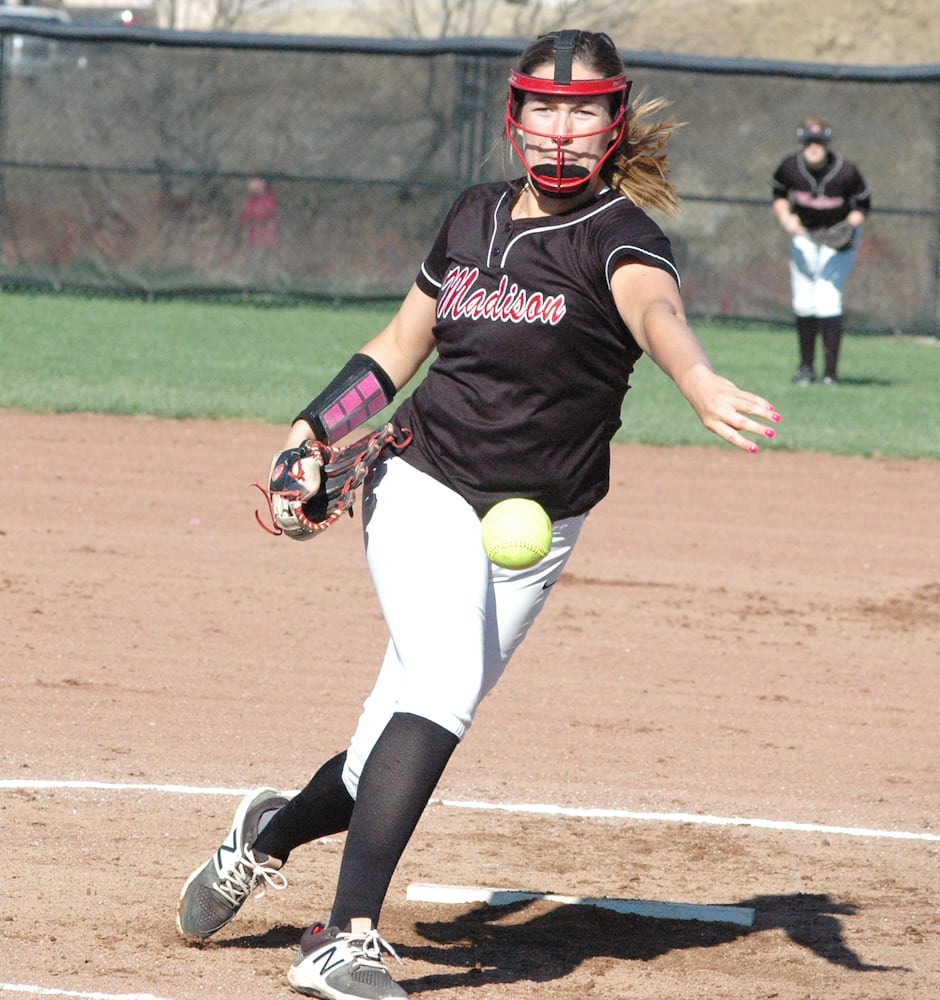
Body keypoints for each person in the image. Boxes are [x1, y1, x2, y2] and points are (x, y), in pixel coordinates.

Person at [176, 29, 780, 1000]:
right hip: (422, 479)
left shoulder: (620, 237)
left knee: (391, 739)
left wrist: (697, 374)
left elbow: (656, 311)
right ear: (515, 117)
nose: (564, 127)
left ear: (614, 122)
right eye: (546, 105)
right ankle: (348, 935)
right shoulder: (472, 216)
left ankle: (268, 833)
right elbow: (397, 346)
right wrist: (314, 427)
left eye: (585, 110)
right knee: (447, 686)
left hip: (542, 524)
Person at [771, 117, 871, 386]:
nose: (814, 147)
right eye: (808, 142)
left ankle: (830, 374)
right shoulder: (790, 166)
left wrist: (850, 225)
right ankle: (805, 369)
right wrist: (785, 218)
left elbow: (863, 205)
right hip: (804, 235)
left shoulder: (845, 171)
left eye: (819, 142)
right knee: (804, 300)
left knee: (827, 294)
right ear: (801, 143)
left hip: (838, 239)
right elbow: (778, 193)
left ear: (827, 144)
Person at [239, 175, 280, 272]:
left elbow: (263, 213)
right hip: (254, 239)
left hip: (267, 239)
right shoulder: (251, 199)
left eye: (253, 181)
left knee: (261, 266)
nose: (249, 184)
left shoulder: (270, 198)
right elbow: (243, 217)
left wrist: (252, 215)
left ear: (262, 183)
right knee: (252, 266)